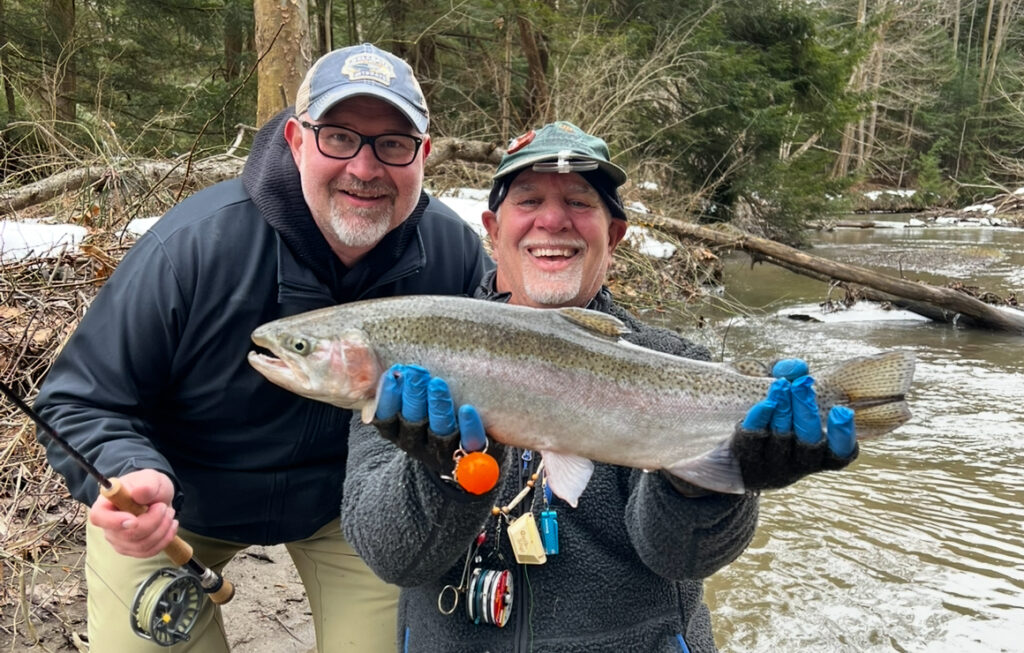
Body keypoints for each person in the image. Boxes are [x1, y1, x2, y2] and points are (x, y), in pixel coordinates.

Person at [34, 43, 491, 652]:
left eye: (393, 144)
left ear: (423, 156)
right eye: (339, 137)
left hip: (352, 512)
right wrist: (126, 474)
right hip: (179, 508)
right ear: (298, 141)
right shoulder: (193, 249)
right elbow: (77, 401)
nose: (364, 167)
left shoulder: (454, 256)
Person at [340, 121, 857, 652]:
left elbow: (682, 559)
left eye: (580, 202)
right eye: (529, 199)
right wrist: (440, 475)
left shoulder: (676, 363)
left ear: (613, 236)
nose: (553, 219)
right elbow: (390, 557)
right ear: (493, 230)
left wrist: (708, 486)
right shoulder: (413, 359)